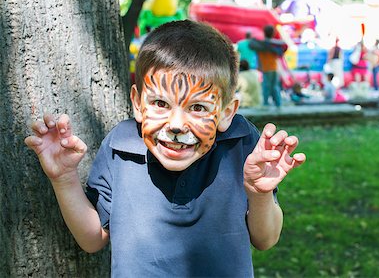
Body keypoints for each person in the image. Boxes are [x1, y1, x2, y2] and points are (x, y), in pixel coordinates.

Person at [24, 20, 306, 277]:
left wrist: (260, 192)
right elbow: (92, 238)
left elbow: (266, 239)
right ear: (137, 103)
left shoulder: (242, 142)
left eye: (198, 108)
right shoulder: (120, 145)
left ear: (225, 113)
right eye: (160, 104)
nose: (176, 125)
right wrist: (63, 178)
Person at [249, 25, 287, 108]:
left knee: (266, 86)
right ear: (273, 33)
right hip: (274, 68)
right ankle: (278, 104)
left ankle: (266, 104)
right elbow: (284, 46)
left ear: (264, 32)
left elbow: (251, 44)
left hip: (266, 68)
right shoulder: (275, 45)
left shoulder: (260, 44)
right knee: (275, 87)